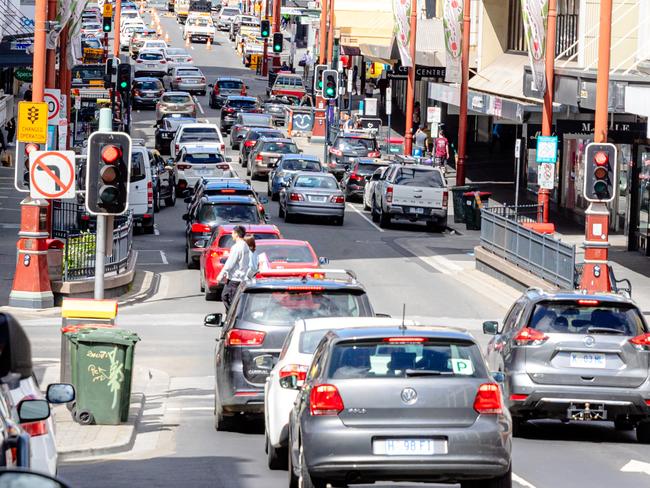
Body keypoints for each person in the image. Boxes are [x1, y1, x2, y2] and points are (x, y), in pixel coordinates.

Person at [217, 226, 251, 312]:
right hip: (242, 278)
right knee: (232, 299)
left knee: (227, 297)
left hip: (234, 279)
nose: (231, 235)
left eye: (232, 233)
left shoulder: (237, 247)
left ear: (236, 234)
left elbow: (229, 263)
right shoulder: (245, 245)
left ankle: (232, 317)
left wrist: (221, 275)